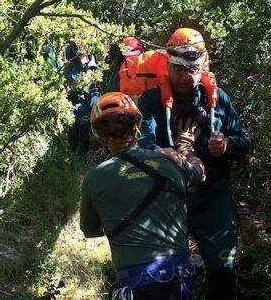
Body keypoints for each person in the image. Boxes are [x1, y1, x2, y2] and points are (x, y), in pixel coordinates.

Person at [137, 28, 251, 300]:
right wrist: (167, 153)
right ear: (168, 65)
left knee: (223, 268)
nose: (184, 76)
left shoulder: (218, 99)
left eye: (191, 69)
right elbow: (144, 143)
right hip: (168, 198)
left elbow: (244, 141)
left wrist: (227, 145)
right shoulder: (152, 100)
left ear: (202, 67)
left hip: (214, 197)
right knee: (163, 271)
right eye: (177, 69)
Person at [80, 92, 207, 300]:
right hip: (178, 277)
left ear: (100, 135)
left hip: (134, 282)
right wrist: (185, 147)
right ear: (136, 126)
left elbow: (90, 231)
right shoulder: (169, 161)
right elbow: (200, 174)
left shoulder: (94, 178)